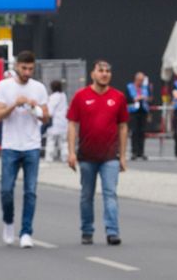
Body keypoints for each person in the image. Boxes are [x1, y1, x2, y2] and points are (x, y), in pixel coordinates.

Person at [67, 60, 129, 246]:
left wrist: (123, 156)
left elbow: (123, 127)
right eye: (100, 70)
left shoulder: (118, 97)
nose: (104, 74)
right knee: (87, 195)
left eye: (108, 71)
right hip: (86, 156)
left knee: (110, 193)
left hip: (110, 156)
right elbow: (72, 124)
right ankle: (87, 230)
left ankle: (113, 231)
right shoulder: (81, 96)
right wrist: (71, 152)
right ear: (93, 74)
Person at [0, 51, 49, 248]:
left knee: (31, 191)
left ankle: (26, 232)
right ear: (17, 66)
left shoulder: (39, 88)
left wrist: (37, 108)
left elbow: (46, 118)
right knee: (6, 190)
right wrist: (14, 105)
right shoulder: (4, 86)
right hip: (10, 146)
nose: (27, 72)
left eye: (30, 69)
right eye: (24, 68)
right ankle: (8, 222)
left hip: (32, 145)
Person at [126, 72, 150, 160]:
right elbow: (126, 99)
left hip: (143, 111)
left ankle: (141, 152)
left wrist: (146, 98)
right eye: (139, 80)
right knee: (134, 132)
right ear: (136, 79)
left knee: (142, 132)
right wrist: (135, 99)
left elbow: (150, 98)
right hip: (133, 112)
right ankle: (134, 152)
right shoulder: (129, 87)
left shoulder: (145, 88)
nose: (141, 82)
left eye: (142, 80)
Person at [45, 80, 69, 162]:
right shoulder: (63, 96)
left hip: (54, 123)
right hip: (63, 122)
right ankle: (65, 157)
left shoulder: (53, 97)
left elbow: (50, 111)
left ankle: (49, 158)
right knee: (64, 142)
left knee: (51, 141)